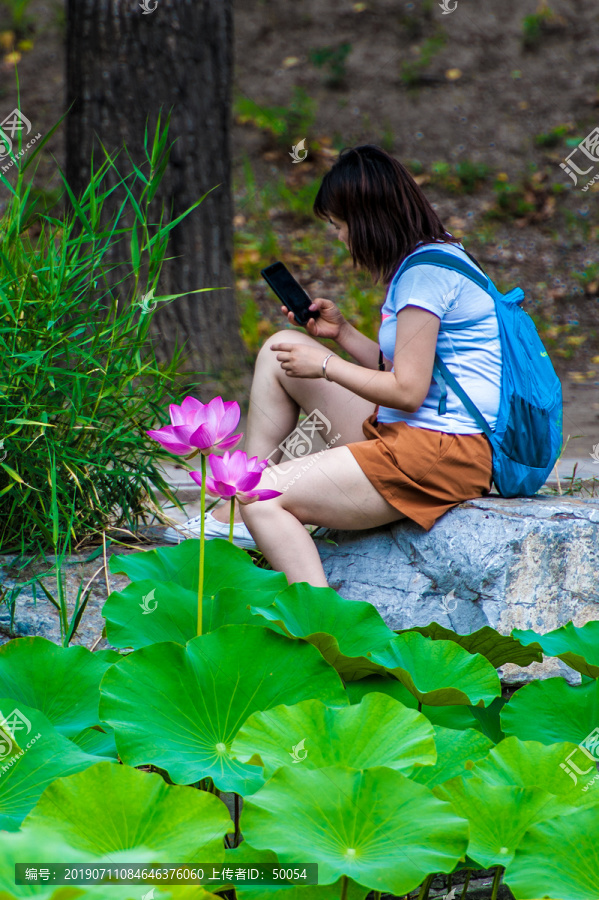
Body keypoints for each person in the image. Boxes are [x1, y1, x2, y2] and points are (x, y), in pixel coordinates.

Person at [166, 145, 500, 588]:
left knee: (264, 499)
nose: (340, 238)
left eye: (340, 226)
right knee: (280, 350)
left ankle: (321, 629)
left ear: (367, 221)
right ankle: (234, 509)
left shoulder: (425, 278)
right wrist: (341, 335)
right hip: (412, 434)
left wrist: (325, 364)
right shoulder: (433, 259)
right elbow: (407, 370)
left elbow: (407, 391)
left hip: (440, 453)